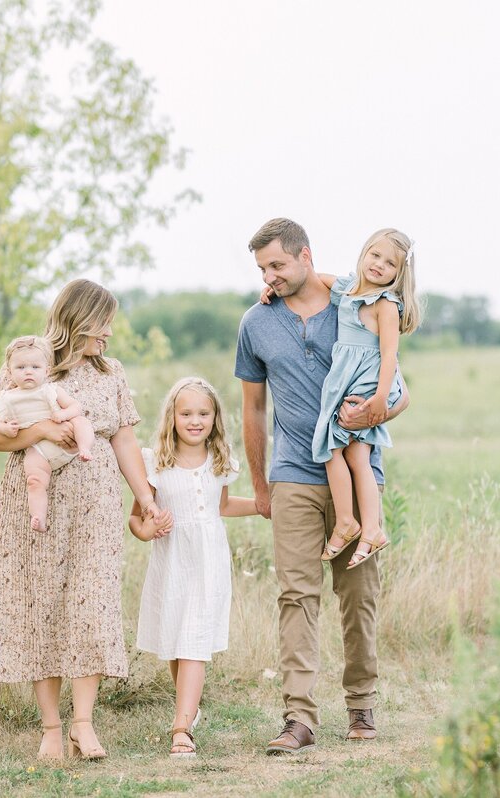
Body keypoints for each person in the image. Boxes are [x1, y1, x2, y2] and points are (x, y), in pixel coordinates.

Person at [0, 279, 170, 761]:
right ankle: (50, 728)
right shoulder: (29, 362)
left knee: (92, 603)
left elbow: (124, 439)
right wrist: (43, 428)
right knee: (42, 604)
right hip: (36, 504)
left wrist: (144, 495)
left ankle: (84, 724)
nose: (108, 333)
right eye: (102, 322)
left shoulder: (112, 373)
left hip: (96, 503)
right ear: (78, 318)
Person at [235, 218, 410, 755]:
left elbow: (400, 390)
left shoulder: (351, 301)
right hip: (293, 474)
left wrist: (379, 412)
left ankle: (361, 703)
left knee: (358, 595)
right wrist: (261, 486)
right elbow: (253, 408)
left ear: (305, 256)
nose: (270, 276)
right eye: (263, 268)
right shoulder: (255, 323)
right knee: (295, 595)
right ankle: (299, 719)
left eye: (278, 265)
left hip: (357, 475)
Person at [260, 228, 420, 568]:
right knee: (337, 449)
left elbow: (390, 355)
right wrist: (273, 284)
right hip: (347, 382)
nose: (378, 265)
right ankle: (356, 524)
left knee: (348, 452)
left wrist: (378, 400)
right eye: (374, 255)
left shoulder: (386, 304)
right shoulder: (348, 289)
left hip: (367, 383)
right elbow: (312, 279)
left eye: (389, 263)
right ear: (363, 253)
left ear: (399, 273)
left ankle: (365, 526)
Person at [129, 377, 258, 758]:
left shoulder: (220, 461)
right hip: (172, 560)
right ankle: (190, 707)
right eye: (186, 413)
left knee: (194, 641)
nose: (195, 420)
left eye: (204, 413)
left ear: (216, 417)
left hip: (209, 560)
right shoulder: (154, 463)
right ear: (172, 416)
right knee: (175, 640)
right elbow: (136, 520)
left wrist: (263, 506)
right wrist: (147, 529)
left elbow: (222, 506)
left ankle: (181, 728)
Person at [0, 335, 97, 532]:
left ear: (46, 371)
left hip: (69, 440)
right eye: (21, 368)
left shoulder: (50, 390)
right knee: (34, 481)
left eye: (35, 368)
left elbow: (76, 407)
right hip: (39, 451)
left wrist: (63, 414)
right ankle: (38, 516)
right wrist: (5, 428)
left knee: (82, 422)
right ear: (9, 373)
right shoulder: (7, 398)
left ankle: (85, 447)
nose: (28, 371)